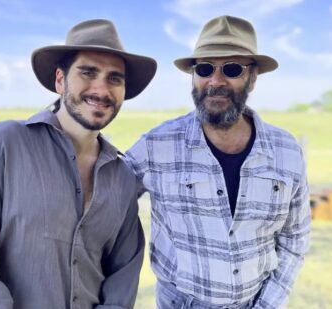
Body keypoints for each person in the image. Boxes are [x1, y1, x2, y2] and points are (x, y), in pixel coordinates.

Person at [0, 19, 157, 308]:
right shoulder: (2, 145)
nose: (101, 89)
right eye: (88, 72)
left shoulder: (122, 177)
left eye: (114, 78)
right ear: (60, 80)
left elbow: (123, 275)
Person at [125, 15, 310, 308]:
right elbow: (103, 204)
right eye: (205, 68)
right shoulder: (155, 146)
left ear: (253, 77)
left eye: (232, 69)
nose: (215, 81)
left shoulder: (287, 151)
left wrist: (267, 305)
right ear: (193, 75)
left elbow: (294, 239)